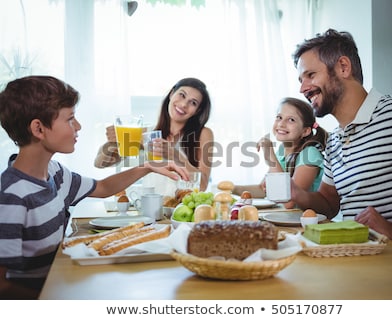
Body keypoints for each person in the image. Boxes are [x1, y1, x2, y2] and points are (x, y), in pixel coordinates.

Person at [0, 75, 189, 299]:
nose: (78, 126)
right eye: (70, 119)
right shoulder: (12, 195)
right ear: (39, 129)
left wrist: (147, 167)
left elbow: (102, 187)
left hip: (61, 278)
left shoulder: (56, 172)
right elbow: (3, 286)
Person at [290, 28, 392, 257]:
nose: (302, 88)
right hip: (368, 264)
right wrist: (298, 193)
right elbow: (329, 202)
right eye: (300, 79)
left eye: (310, 75)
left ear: (343, 67)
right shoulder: (334, 140)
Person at [94, 77, 213, 193]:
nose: (183, 104)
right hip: (149, 206)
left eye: (193, 102)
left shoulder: (203, 134)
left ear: (197, 110)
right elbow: (100, 164)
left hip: (182, 208)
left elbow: (202, 186)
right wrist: (113, 143)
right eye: (182, 95)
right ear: (172, 94)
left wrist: (175, 156)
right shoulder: (147, 134)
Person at [233, 97, 327, 209]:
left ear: (305, 131)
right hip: (284, 219)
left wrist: (269, 155)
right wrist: (232, 188)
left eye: (291, 120)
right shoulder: (282, 152)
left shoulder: (310, 154)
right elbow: (262, 189)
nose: (281, 124)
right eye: (279, 117)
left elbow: (288, 202)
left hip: (304, 222)